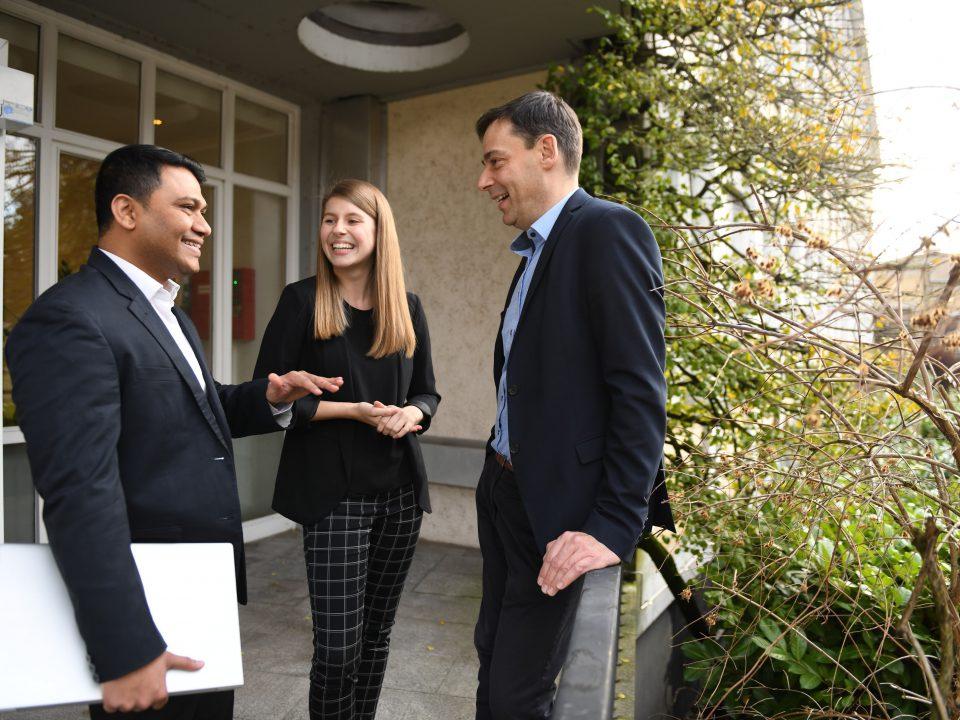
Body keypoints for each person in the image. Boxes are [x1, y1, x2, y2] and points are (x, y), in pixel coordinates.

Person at [5, 144, 342, 719]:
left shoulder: (168, 309)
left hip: (196, 598)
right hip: (147, 614)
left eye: (203, 210)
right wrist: (125, 648)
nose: (204, 226)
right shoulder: (70, 318)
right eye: (188, 208)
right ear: (127, 211)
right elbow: (81, 493)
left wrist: (267, 396)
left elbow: (191, 409)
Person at [472, 91, 675, 719]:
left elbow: (640, 391)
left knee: (515, 696)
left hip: (557, 513)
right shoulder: (535, 252)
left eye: (495, 162)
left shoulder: (607, 230)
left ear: (547, 151)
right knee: (492, 659)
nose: (485, 181)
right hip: (505, 494)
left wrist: (612, 526)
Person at [252, 178, 440, 720]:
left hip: (400, 494)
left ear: (380, 232)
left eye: (353, 220)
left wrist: (414, 413)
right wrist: (354, 412)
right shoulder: (301, 301)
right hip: (334, 496)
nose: (338, 231)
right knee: (337, 651)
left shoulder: (407, 308)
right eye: (330, 219)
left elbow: (428, 390)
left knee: (376, 639)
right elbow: (271, 396)